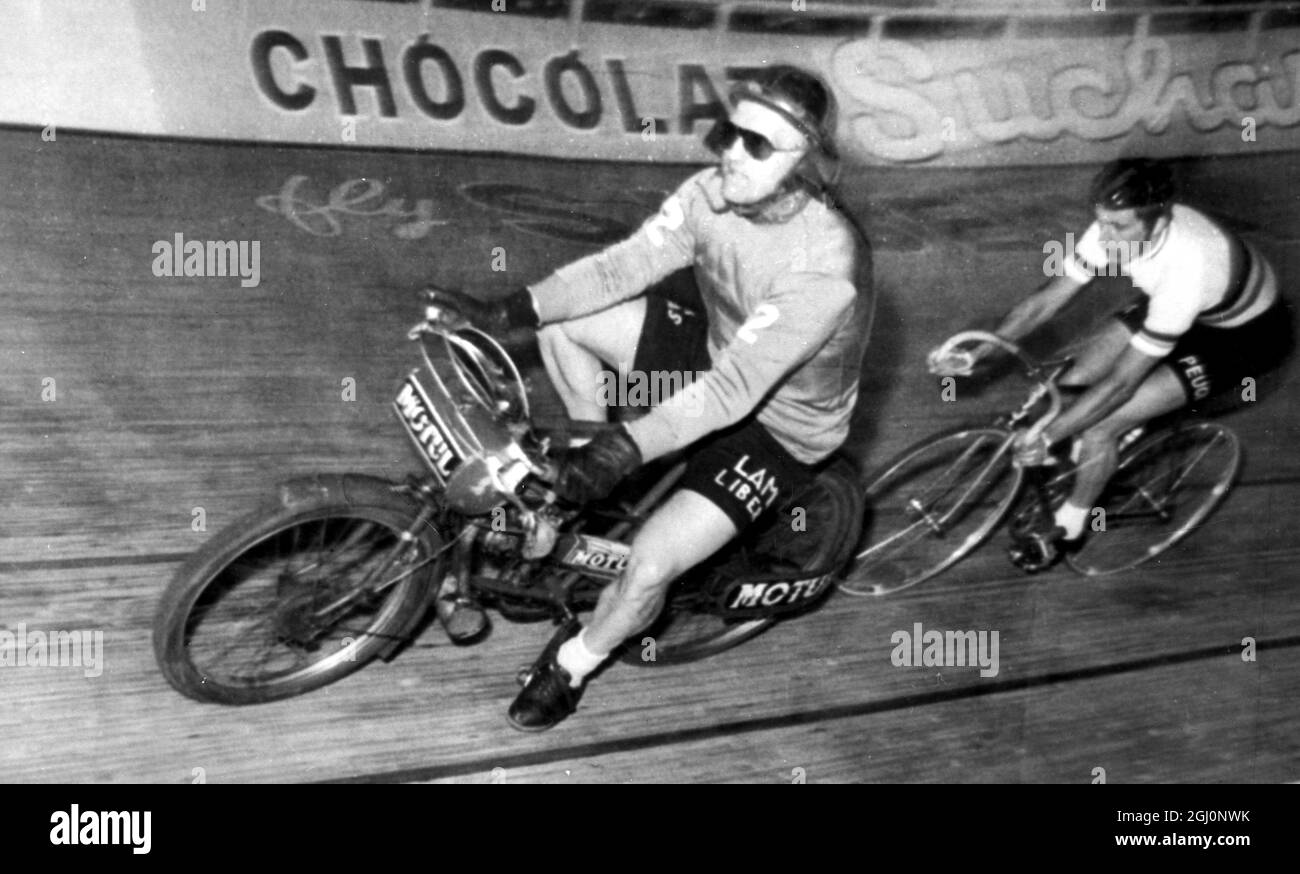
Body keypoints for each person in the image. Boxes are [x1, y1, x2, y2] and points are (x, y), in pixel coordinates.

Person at [428, 65, 874, 730]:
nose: (730, 152)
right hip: (717, 355)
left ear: (807, 164)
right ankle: (582, 489)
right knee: (564, 328)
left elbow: (730, 394)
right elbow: (622, 267)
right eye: (729, 132)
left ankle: (574, 663)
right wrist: (508, 310)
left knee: (646, 570)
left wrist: (624, 447)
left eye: (758, 145)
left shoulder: (824, 267)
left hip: (775, 428)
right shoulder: (714, 193)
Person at [929, 157, 1294, 567]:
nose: (1103, 236)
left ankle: (1073, 524)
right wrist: (981, 351)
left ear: (1156, 223)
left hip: (1243, 340)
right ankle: (1077, 457)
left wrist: (1050, 436)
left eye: (1117, 227)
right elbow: (1046, 301)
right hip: (1191, 309)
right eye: (1100, 222)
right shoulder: (1117, 227)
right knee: (1068, 384)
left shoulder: (1185, 270)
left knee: (1102, 422)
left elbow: (1121, 384)